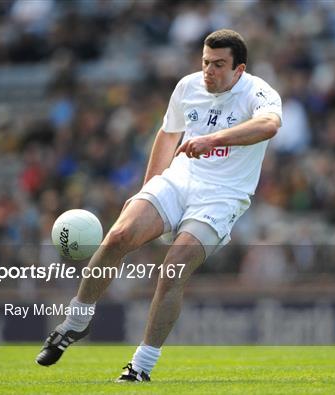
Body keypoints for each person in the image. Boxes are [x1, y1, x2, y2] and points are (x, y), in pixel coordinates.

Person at [35, 29, 282, 382]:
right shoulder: (188, 87)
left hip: (223, 195)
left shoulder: (258, 92)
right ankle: (76, 322)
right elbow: (168, 135)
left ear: (239, 69)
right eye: (205, 62)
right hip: (179, 180)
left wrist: (214, 139)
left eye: (219, 65)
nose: (209, 71)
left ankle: (141, 366)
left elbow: (269, 125)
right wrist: (149, 187)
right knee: (119, 235)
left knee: (173, 268)